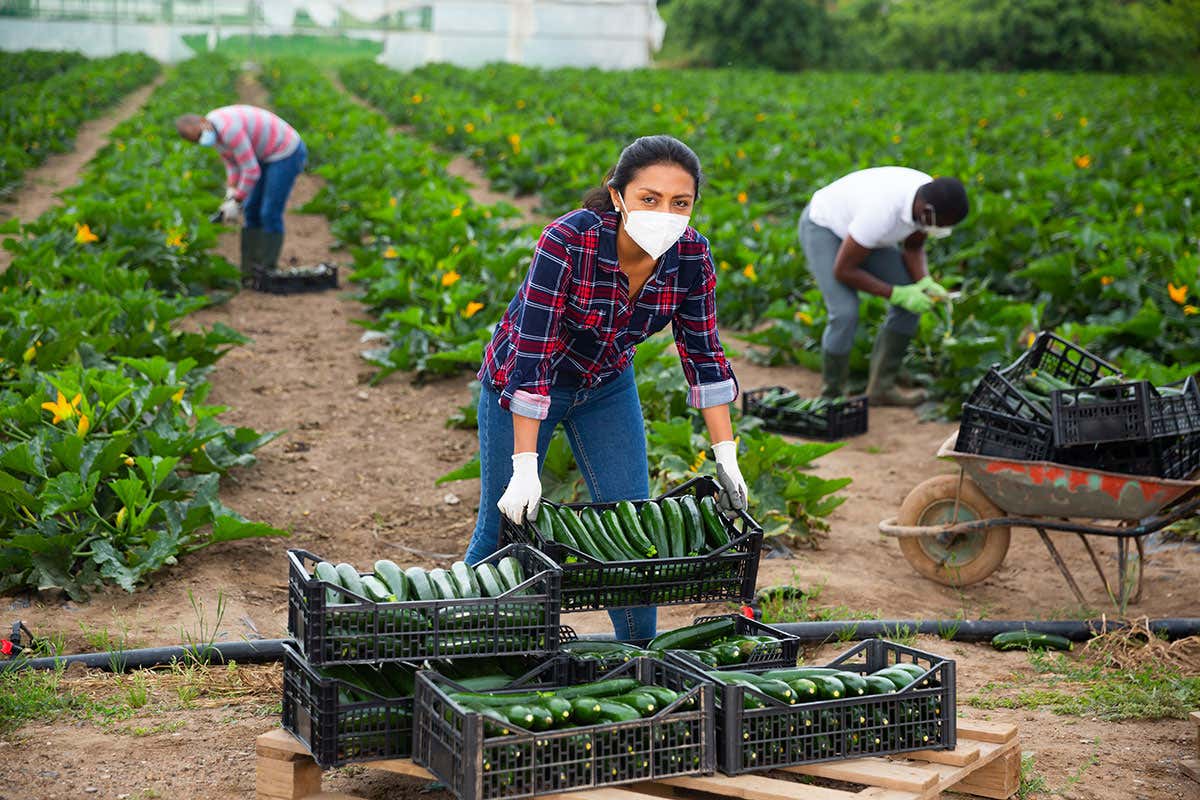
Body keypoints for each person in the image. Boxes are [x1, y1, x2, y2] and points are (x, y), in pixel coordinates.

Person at [467, 135, 748, 641]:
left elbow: (705, 357)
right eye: (649, 198)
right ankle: (454, 638)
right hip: (527, 383)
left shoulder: (691, 256)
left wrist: (726, 457)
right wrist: (526, 469)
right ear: (618, 196)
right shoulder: (568, 241)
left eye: (680, 203)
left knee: (634, 533)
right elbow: (532, 355)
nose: (665, 214)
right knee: (502, 526)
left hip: (606, 387)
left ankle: (641, 655)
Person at [799, 167, 969, 405]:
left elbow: (913, 247)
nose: (942, 230)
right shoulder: (881, 211)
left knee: (912, 304)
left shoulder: (928, 199)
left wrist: (924, 282)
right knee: (845, 312)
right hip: (825, 226)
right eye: (941, 224)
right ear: (928, 211)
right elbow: (844, 271)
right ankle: (832, 396)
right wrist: (896, 293)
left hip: (864, 235)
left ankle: (881, 388)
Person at [175, 105, 307, 287]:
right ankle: (250, 272)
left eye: (198, 135)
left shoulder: (229, 130)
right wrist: (231, 192)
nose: (200, 140)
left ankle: (268, 272)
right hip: (263, 153)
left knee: (269, 212)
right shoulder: (213, 132)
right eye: (195, 140)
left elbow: (251, 171)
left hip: (285, 151)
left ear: (203, 122)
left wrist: (237, 200)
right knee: (251, 210)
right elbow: (233, 164)